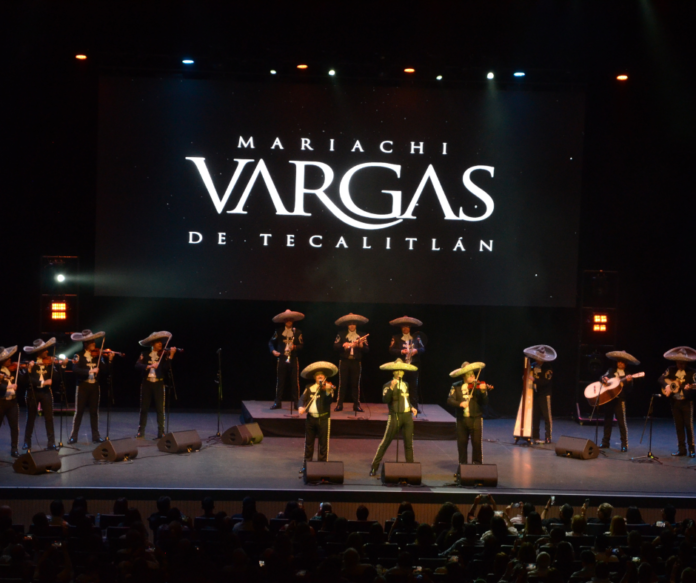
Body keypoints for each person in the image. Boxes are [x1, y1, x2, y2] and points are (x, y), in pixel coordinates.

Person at [369, 358, 418, 477]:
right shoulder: (387, 385)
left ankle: (410, 469)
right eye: (398, 370)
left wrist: (411, 407)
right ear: (394, 372)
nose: (400, 372)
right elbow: (385, 399)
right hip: (395, 415)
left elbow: (405, 399)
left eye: (402, 370)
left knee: (408, 443)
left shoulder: (405, 384)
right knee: (385, 442)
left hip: (407, 416)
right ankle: (374, 467)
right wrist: (391, 388)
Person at [69, 329, 113, 444]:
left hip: (94, 387)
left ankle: (96, 436)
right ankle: (73, 436)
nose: (94, 344)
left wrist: (108, 360)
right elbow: (75, 369)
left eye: (94, 341)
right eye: (92, 342)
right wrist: (90, 371)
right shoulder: (77, 355)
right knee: (79, 412)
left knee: (94, 412)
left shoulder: (97, 356)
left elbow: (104, 370)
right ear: (85, 343)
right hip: (83, 386)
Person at [447, 361, 491, 471]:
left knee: (476, 443)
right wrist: (460, 404)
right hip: (461, 419)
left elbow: (485, 403)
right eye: (468, 373)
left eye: (472, 373)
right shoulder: (456, 386)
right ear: (463, 375)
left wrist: (483, 391)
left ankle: (477, 467)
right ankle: (462, 467)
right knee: (462, 444)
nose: (472, 375)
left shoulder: (478, 386)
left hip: (476, 418)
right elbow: (449, 400)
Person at [135, 331, 177, 439]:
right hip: (147, 383)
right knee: (144, 407)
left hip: (158, 383)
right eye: (158, 342)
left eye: (161, 342)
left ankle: (161, 432)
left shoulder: (163, 356)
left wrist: (171, 356)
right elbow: (137, 365)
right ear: (152, 344)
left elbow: (167, 368)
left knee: (160, 409)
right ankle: (141, 431)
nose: (160, 344)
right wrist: (149, 366)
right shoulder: (144, 354)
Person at [298, 361, 338, 472]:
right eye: (317, 376)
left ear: (325, 377)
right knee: (309, 444)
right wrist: (301, 407)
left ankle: (322, 466)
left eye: (322, 376)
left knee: (323, 444)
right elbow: (302, 399)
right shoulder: (309, 387)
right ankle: (306, 466)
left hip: (323, 419)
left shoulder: (328, 388)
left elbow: (329, 401)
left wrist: (328, 391)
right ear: (315, 377)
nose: (320, 377)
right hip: (310, 419)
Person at [659, 346, 696, 457]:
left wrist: (689, 388)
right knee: (678, 426)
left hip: (686, 402)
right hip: (675, 402)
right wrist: (668, 386)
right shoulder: (671, 369)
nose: (681, 365)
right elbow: (660, 379)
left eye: (683, 363)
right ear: (676, 362)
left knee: (688, 426)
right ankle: (681, 449)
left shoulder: (692, 372)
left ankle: (692, 449)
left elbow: (694, 387)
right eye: (679, 363)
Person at [599, 350, 640, 452]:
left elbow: (629, 390)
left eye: (622, 362)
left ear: (625, 364)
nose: (620, 363)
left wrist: (629, 383)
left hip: (619, 400)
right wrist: (603, 379)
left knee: (622, 422)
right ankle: (605, 442)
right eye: (619, 361)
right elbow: (602, 377)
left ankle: (624, 444)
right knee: (607, 421)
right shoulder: (611, 371)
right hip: (609, 399)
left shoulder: (628, 375)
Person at [22, 338, 59, 450]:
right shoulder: (30, 363)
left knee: (49, 418)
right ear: (38, 352)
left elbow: (56, 378)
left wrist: (57, 366)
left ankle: (51, 442)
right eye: (45, 350)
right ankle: (27, 442)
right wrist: (42, 382)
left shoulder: (49, 363)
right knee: (31, 418)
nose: (47, 352)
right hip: (33, 393)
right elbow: (27, 380)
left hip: (46, 393)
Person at [268, 309, 304, 410]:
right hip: (282, 358)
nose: (288, 322)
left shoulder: (297, 332)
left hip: (293, 359)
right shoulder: (279, 331)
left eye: (290, 320)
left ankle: (296, 403)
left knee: (294, 382)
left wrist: (294, 347)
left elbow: (301, 345)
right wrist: (273, 351)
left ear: (292, 321)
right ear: (284, 321)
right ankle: (278, 402)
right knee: (280, 381)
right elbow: (270, 343)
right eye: (287, 320)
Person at [388, 316, 425, 412]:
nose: (405, 328)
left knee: (413, 386)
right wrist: (401, 352)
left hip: (413, 365)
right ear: (401, 328)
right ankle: (400, 405)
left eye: (407, 326)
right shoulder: (396, 337)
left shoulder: (416, 337)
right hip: (401, 366)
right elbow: (391, 350)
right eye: (403, 326)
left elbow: (422, 348)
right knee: (400, 386)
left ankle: (414, 407)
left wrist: (416, 350)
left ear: (410, 328)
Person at [333, 313, 369, 412]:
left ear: (356, 325)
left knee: (355, 384)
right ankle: (339, 405)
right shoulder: (341, 334)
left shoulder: (361, 335)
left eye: (354, 324)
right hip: (344, 361)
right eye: (350, 324)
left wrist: (361, 346)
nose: (352, 325)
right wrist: (343, 345)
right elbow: (335, 346)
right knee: (342, 383)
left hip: (356, 362)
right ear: (347, 325)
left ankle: (356, 405)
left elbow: (367, 349)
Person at [523, 344, 557, 444]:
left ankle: (548, 437)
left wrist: (534, 380)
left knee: (547, 416)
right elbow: (528, 373)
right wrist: (525, 376)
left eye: (539, 358)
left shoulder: (548, 368)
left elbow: (545, 381)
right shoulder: (533, 365)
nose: (537, 360)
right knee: (535, 416)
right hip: (535, 393)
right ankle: (535, 436)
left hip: (544, 394)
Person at [0, 345, 21, 457]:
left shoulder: (12, 370)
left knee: (14, 426)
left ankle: (14, 448)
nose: (10, 360)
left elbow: (23, 379)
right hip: (1, 402)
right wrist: (9, 387)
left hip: (12, 402)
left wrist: (26, 369)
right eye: (7, 359)